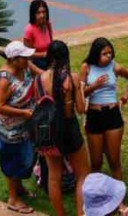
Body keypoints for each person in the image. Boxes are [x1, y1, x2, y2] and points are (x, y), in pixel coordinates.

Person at [38, 41, 91, 216]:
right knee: (82, 174)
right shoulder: (73, 78)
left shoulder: (40, 79)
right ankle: (79, 213)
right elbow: (81, 109)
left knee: (54, 177)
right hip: (70, 128)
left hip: (49, 132)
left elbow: (38, 107)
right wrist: (81, 90)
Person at [0, 41, 41, 215]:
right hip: (10, 129)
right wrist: (23, 113)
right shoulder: (5, 79)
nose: (28, 58)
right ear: (13, 59)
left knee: (26, 158)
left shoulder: (26, 67)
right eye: (24, 56)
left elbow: (43, 75)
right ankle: (13, 199)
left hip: (25, 124)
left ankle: (19, 188)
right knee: (13, 161)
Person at [80, 37, 128, 181]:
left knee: (114, 160)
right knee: (96, 162)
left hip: (112, 114)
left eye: (110, 53)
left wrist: (124, 97)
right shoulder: (86, 67)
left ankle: (120, 199)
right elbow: (80, 94)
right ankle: (96, 196)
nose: (108, 56)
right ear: (96, 54)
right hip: (94, 115)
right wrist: (94, 86)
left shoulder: (114, 66)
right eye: (104, 54)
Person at [23, 0, 54, 69]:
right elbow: (27, 53)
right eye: (38, 13)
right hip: (36, 64)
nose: (42, 15)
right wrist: (43, 54)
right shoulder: (29, 30)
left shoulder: (48, 24)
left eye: (44, 12)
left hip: (49, 60)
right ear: (33, 14)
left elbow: (51, 43)